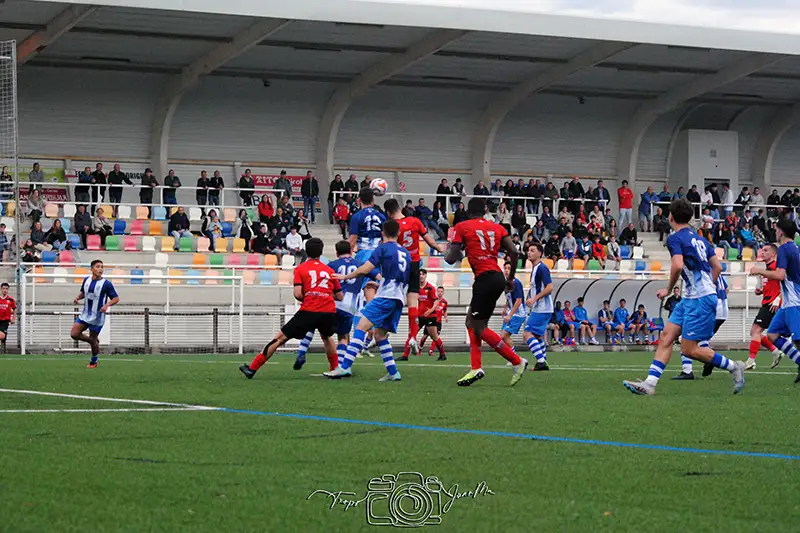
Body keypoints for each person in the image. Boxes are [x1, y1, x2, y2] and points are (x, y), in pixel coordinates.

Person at [623, 198, 745, 396]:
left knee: (689, 350)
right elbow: (717, 267)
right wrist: (706, 288)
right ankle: (649, 384)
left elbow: (678, 265)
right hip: (693, 297)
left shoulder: (675, 238)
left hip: (699, 299)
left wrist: (669, 289)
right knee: (666, 336)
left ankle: (734, 366)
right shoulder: (701, 239)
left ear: (670, 217)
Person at [443, 197, 528, 387]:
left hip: (484, 278)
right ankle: (476, 367)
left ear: (467, 211)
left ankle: (516, 361)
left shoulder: (462, 226)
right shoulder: (497, 227)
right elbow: (514, 253)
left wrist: (446, 251)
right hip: (496, 277)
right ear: (485, 211)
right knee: (471, 322)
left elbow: (451, 258)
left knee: (478, 327)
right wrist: (510, 278)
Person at [240, 238, 342, 379]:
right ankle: (335, 368)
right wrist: (323, 294)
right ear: (321, 251)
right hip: (328, 311)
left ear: (306, 250)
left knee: (279, 338)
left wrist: (311, 296)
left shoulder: (300, 269)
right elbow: (339, 296)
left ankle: (252, 368)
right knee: (327, 337)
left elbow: (298, 294)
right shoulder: (329, 270)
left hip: (309, 310)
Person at [325, 220, 410, 381]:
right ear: (399, 234)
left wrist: (345, 276)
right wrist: (380, 283)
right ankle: (393, 373)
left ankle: (344, 367)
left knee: (361, 327)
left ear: (383, 234)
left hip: (386, 296)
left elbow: (365, 269)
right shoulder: (405, 252)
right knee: (379, 334)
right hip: (399, 297)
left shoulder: (383, 248)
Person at [292, 240, 375, 371]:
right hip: (350, 306)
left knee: (313, 325)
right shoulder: (361, 265)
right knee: (343, 336)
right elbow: (377, 275)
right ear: (351, 250)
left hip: (331, 304)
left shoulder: (331, 266)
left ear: (337, 252)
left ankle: (302, 352)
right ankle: (340, 366)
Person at [384, 198, 445, 360]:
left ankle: (382, 331)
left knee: (391, 297)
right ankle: (412, 336)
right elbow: (429, 240)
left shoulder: (392, 227)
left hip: (399, 264)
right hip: (415, 264)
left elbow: (388, 247)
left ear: (389, 213)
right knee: (413, 300)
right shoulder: (415, 221)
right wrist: (440, 248)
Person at [750, 219, 800, 384]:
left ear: (781, 232)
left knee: (798, 339)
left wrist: (759, 271)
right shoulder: (794, 248)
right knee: (772, 335)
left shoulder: (785, 249)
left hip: (794, 301)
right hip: (787, 303)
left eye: (777, 229)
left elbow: (780, 275)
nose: (775, 232)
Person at [676, 274, 729, 379]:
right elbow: (726, 289)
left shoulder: (702, 271)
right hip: (723, 310)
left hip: (711, 309)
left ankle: (688, 371)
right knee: (701, 339)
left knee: (686, 338)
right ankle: (708, 360)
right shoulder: (716, 271)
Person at [741, 244, 783, 371]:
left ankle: (751, 361)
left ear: (773, 254)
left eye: (766, 251)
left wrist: (778, 298)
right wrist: (761, 291)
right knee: (756, 332)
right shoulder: (767, 269)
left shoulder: (777, 267)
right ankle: (775, 351)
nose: (762, 252)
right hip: (768, 302)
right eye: (762, 250)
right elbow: (771, 286)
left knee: (756, 331)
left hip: (773, 304)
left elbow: (786, 284)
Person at [71, 260, 120, 368]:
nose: (100, 269)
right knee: (74, 334)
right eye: (98, 266)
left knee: (93, 339)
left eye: (102, 267)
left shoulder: (106, 284)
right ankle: (92, 341)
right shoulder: (86, 280)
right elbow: (84, 292)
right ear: (92, 269)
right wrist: (78, 297)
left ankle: (94, 361)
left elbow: (116, 298)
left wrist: (106, 305)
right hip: (85, 314)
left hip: (97, 317)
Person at [349, 188, 387, 303]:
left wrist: (349, 253)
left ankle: (370, 315)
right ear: (373, 200)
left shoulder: (357, 216)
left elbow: (353, 238)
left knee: (367, 284)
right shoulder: (382, 216)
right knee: (377, 282)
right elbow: (385, 238)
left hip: (364, 252)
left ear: (359, 199)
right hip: (379, 253)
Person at [521, 243, 553, 368]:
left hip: (542, 308)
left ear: (539, 253)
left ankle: (541, 362)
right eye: (528, 250)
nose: (529, 252)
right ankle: (543, 360)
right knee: (537, 335)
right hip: (542, 308)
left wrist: (534, 299)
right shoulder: (535, 268)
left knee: (527, 333)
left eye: (532, 250)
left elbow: (550, 287)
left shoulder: (542, 268)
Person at [414, 269, 446, 361]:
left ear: (425, 276)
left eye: (423, 274)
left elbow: (436, 301)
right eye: (419, 274)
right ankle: (405, 355)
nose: (421, 276)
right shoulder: (416, 288)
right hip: (420, 316)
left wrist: (430, 310)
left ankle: (443, 354)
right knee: (412, 334)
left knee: (434, 336)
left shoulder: (430, 288)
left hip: (430, 317)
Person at [500, 261, 526, 349]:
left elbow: (518, 301)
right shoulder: (506, 284)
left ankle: (514, 358)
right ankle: (512, 357)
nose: (506, 271)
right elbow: (509, 298)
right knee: (502, 337)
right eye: (505, 268)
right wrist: (505, 308)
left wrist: (509, 315)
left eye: (509, 269)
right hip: (511, 313)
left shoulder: (516, 283)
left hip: (518, 314)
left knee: (504, 335)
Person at [420, 287, 449, 355]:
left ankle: (431, 351)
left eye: (441, 291)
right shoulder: (433, 300)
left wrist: (446, 317)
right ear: (436, 292)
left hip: (438, 322)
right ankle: (419, 350)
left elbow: (445, 310)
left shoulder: (444, 302)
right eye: (438, 291)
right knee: (425, 336)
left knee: (436, 337)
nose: (440, 293)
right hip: (430, 320)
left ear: (443, 292)